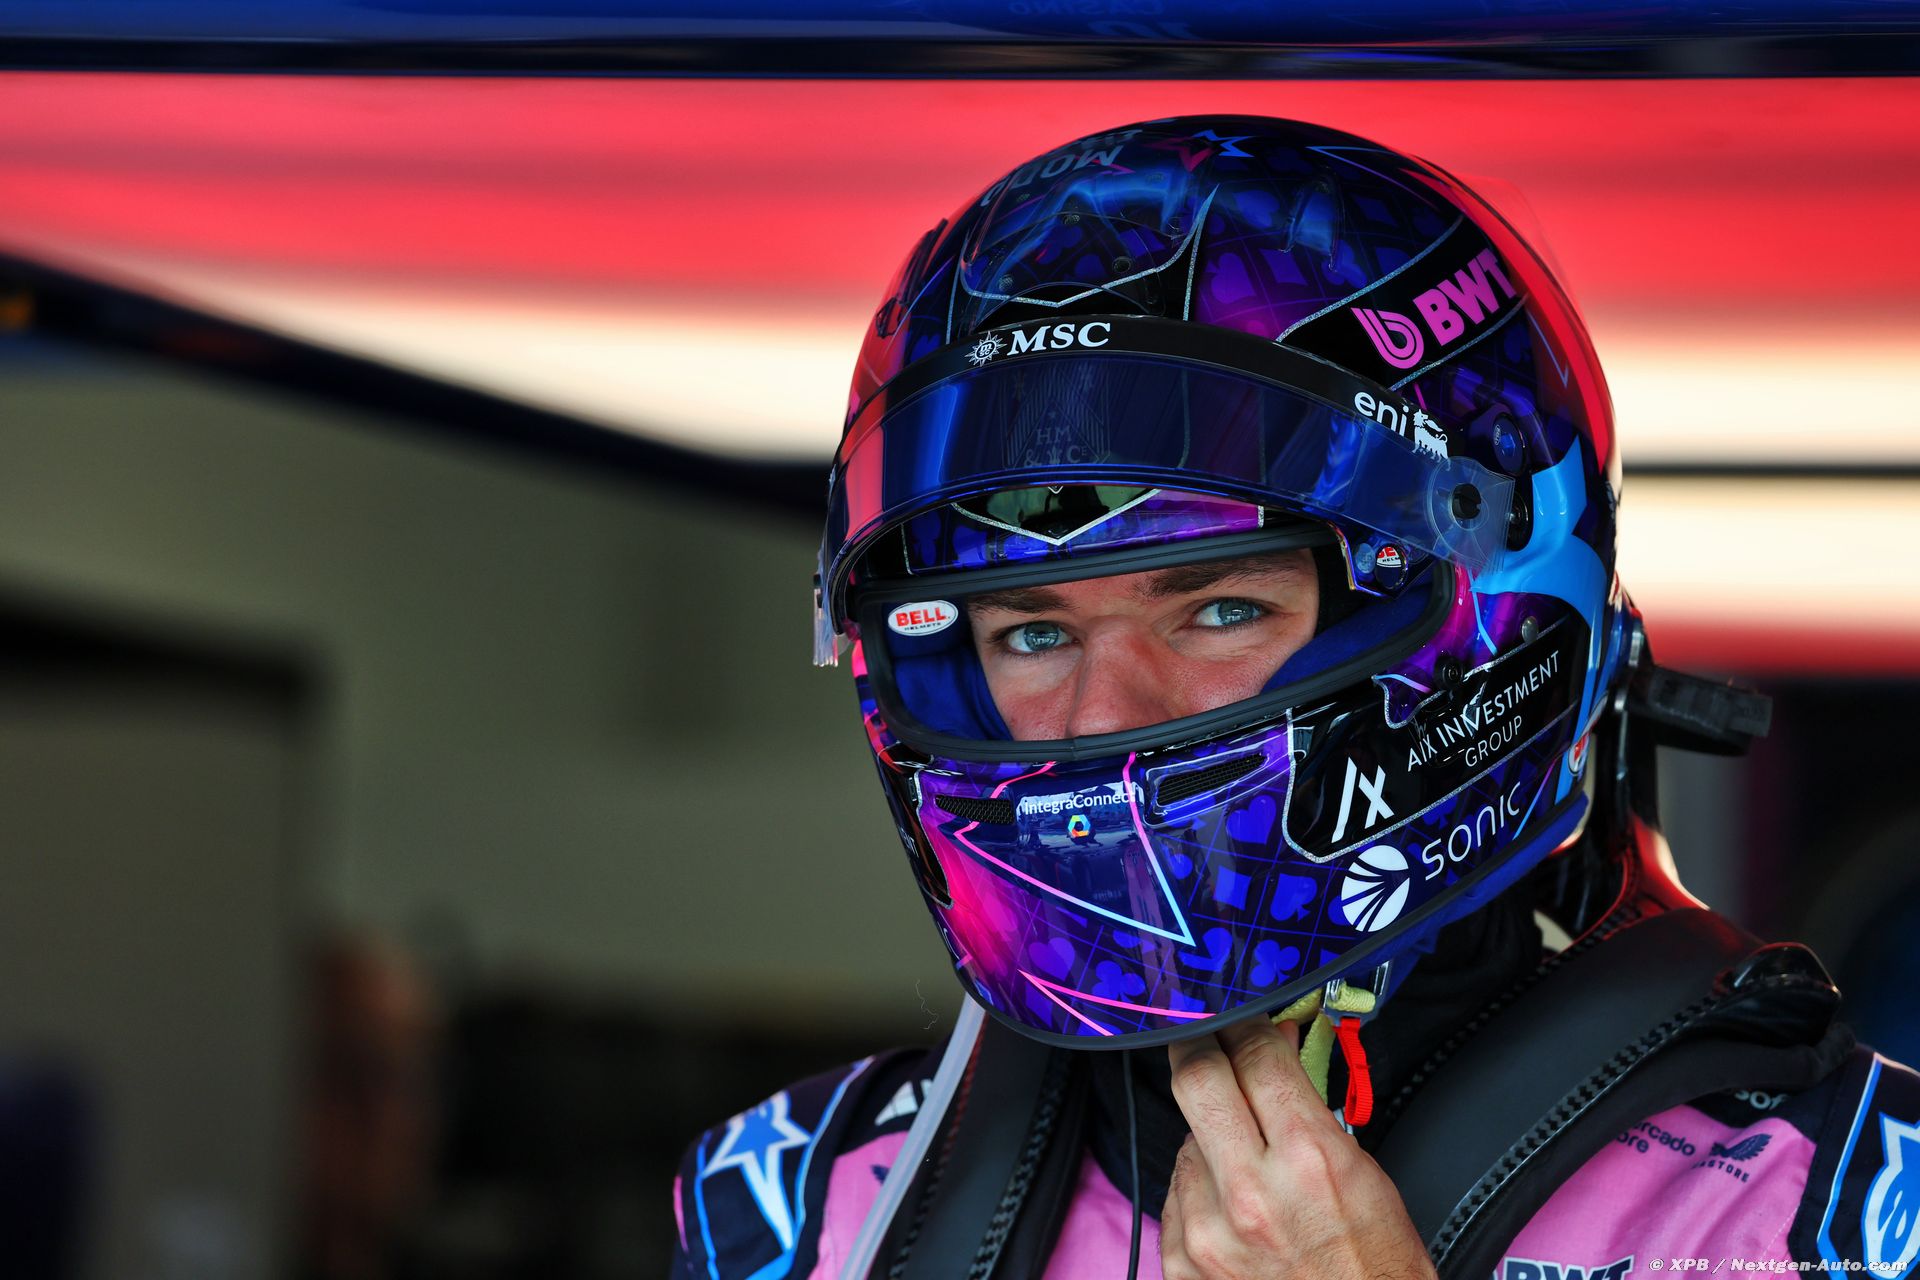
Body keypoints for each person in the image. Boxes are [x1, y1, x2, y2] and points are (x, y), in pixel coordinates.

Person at [670, 116, 1919, 1280]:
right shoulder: (799, 1206)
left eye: (1220, 610)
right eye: (1033, 632)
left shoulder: (1847, 1214)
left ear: (1483, 604)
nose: (1101, 716)